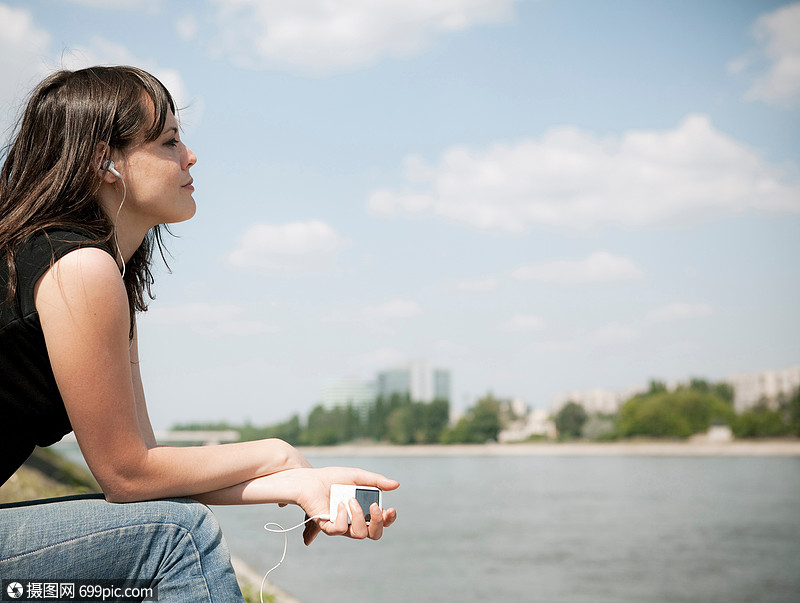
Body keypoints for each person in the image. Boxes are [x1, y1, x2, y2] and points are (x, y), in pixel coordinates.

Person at [0, 66, 398, 601]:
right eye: (168, 141)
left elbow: (147, 468)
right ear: (105, 161)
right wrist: (278, 453)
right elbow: (125, 475)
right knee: (177, 535)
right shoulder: (78, 270)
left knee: (171, 519)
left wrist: (302, 483)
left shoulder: (96, 274)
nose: (190, 156)